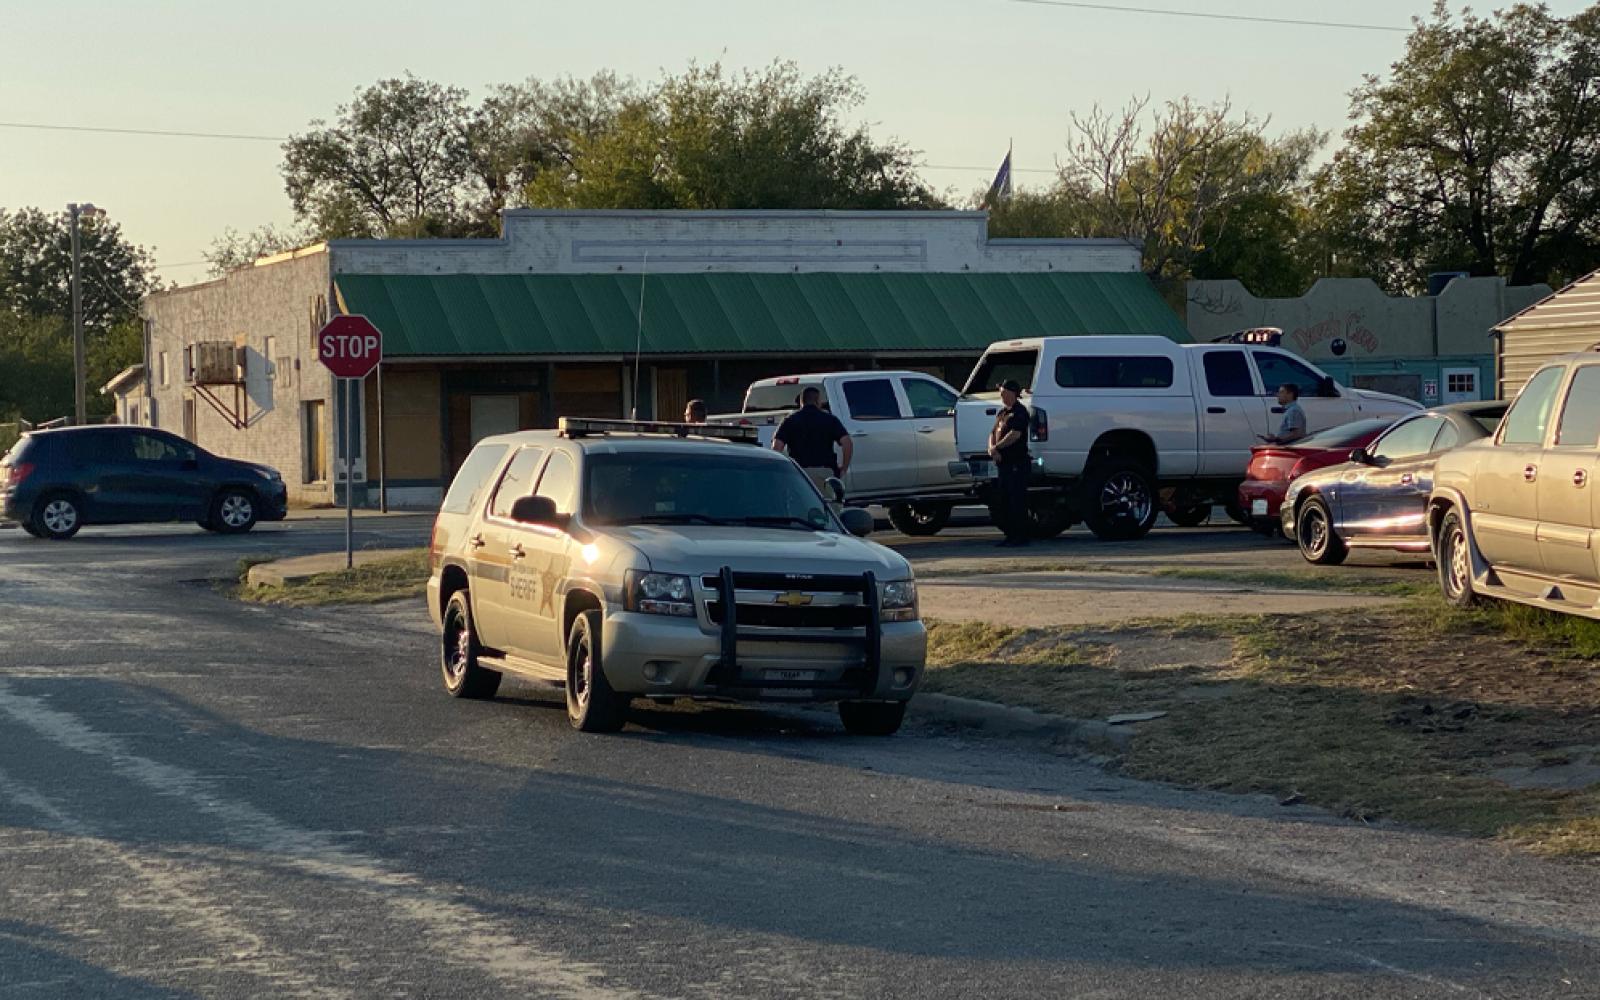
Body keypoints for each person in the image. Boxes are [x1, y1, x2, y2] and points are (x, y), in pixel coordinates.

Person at [772, 386, 852, 496]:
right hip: (825, 472)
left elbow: (777, 447)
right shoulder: (830, 419)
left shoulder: (790, 420)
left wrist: (782, 470)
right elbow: (847, 442)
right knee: (829, 507)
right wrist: (844, 467)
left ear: (801, 402)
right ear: (817, 401)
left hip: (799, 472)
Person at [989, 378, 1032, 547]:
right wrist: (991, 448)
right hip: (1003, 465)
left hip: (1017, 464)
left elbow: (1015, 435)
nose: (1002, 397)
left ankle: (1020, 536)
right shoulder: (1002, 413)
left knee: (1017, 501)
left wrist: (997, 447)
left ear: (1014, 393)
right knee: (1004, 501)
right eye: (1001, 394)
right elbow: (992, 433)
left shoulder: (1020, 413)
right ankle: (1010, 534)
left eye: (1005, 394)